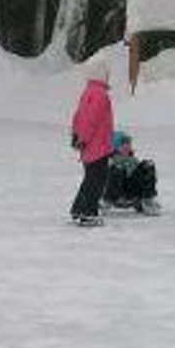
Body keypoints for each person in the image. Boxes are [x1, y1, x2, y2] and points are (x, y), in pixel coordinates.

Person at [67, 59, 115, 225]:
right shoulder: (100, 94)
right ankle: (88, 211)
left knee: (90, 178)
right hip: (97, 145)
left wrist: (76, 134)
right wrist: (83, 138)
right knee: (97, 180)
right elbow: (90, 119)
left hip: (89, 144)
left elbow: (78, 116)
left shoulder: (88, 91)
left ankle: (79, 208)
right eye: (107, 73)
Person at [103, 130, 161, 214]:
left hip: (132, 191)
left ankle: (147, 200)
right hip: (117, 192)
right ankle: (108, 201)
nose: (126, 146)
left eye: (128, 143)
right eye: (123, 144)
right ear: (115, 146)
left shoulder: (132, 160)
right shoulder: (110, 161)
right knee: (117, 170)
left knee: (147, 166)